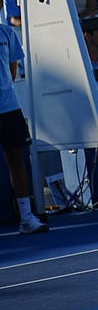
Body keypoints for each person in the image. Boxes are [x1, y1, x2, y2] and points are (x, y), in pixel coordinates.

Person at [0, 22, 49, 234]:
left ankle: (26, 217)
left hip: (9, 106)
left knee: (17, 161)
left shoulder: (7, 32)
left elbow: (12, 70)